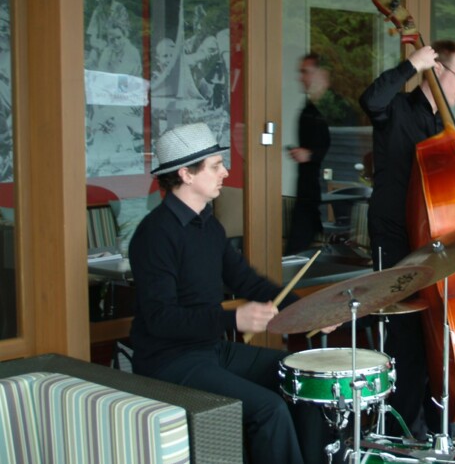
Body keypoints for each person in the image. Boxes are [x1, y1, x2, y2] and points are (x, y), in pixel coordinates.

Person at [129, 122, 326, 463]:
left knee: (305, 381)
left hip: (211, 349)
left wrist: (309, 313)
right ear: (186, 174)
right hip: (168, 360)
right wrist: (233, 317)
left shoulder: (209, 225)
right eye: (216, 165)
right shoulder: (154, 235)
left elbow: (249, 282)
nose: (226, 171)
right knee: (269, 410)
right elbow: (161, 319)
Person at [359, 40, 455, 438]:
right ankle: (398, 430)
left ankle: (428, 422)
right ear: (437, 68)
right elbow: (370, 99)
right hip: (393, 239)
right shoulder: (397, 109)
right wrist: (411, 64)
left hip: (430, 244)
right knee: (403, 341)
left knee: (430, 341)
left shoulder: (443, 128)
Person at [285, 52, 332, 255]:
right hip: (309, 191)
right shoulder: (310, 108)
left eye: (306, 72)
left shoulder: (334, 109)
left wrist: (310, 155)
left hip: (325, 192)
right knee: (297, 250)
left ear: (322, 74)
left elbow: (343, 149)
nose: (300, 77)